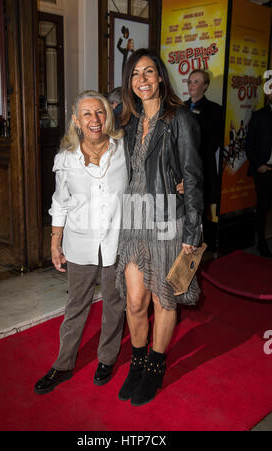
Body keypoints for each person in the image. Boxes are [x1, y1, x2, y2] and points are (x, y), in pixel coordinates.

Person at [116, 49, 204, 406]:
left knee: (163, 297)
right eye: (136, 74)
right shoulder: (129, 121)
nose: (143, 80)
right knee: (135, 300)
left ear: (161, 77)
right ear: (130, 82)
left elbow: (194, 177)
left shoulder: (179, 118)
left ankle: (155, 365)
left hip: (168, 216)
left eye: (149, 72)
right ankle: (137, 360)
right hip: (133, 216)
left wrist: (193, 233)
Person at [34, 91, 128, 394]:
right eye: (86, 114)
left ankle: (107, 358)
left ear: (108, 115)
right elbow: (60, 202)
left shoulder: (124, 151)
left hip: (117, 241)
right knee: (76, 304)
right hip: (79, 243)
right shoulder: (65, 159)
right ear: (76, 120)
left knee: (115, 303)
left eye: (99, 112)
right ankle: (63, 364)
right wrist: (55, 242)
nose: (94, 120)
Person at [185, 69, 223, 222]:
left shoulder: (215, 109)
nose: (191, 85)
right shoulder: (180, 107)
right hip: (182, 168)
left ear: (205, 85)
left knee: (202, 210)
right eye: (189, 81)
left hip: (203, 167)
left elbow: (215, 140)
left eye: (196, 81)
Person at [246, 90, 272, 258]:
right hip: (264, 170)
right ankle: (261, 244)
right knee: (263, 207)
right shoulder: (259, 115)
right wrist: (258, 165)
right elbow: (249, 144)